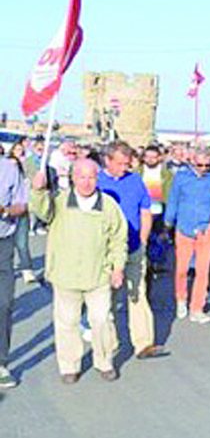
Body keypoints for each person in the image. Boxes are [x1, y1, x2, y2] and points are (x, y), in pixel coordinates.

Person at [30, 159, 127, 383]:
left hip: (98, 276)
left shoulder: (109, 205)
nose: (86, 182)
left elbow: (118, 238)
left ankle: (104, 362)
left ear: (97, 178)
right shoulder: (60, 201)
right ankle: (69, 366)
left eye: (91, 177)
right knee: (67, 322)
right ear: (73, 178)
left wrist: (117, 268)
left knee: (101, 319)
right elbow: (41, 210)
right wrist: (37, 189)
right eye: (81, 177)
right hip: (65, 275)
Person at [98, 142, 170, 360]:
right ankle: (108, 346)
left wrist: (143, 239)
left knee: (138, 294)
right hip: (106, 250)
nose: (124, 168)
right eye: (120, 164)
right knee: (105, 300)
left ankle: (144, 343)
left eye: (127, 164)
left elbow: (145, 211)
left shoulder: (135, 181)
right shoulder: (97, 182)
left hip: (134, 247)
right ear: (107, 161)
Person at [165, 149, 210, 324]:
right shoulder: (181, 178)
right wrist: (168, 222)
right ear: (192, 162)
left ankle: (197, 308)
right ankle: (181, 299)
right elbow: (173, 200)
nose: (203, 168)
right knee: (182, 269)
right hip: (184, 228)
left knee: (203, 270)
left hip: (205, 229)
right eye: (199, 165)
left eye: (207, 166)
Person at [0, 155, 28, 389]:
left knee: (4, 304)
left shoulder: (9, 168)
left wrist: (6, 210)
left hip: (3, 243)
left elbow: (22, 205)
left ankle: (0, 363)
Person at [7, 143, 33, 283]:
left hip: (21, 211)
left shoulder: (25, 177)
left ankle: (27, 269)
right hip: (5, 212)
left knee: (22, 243)